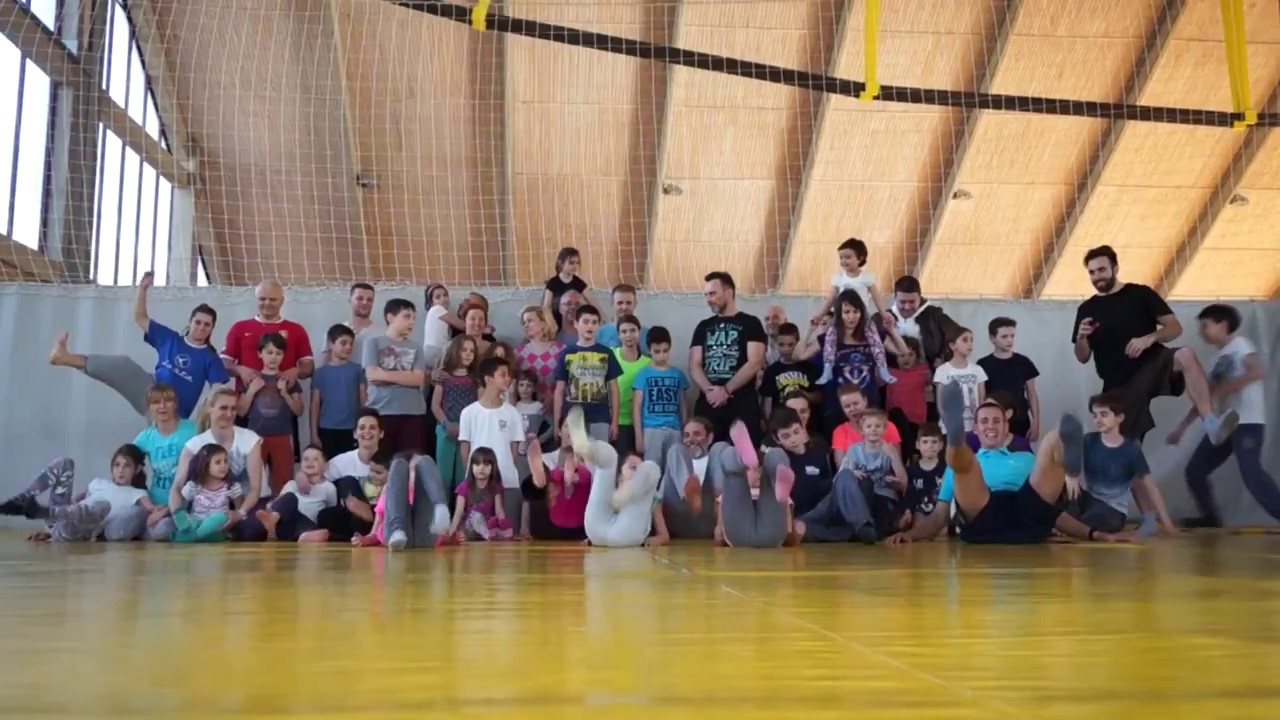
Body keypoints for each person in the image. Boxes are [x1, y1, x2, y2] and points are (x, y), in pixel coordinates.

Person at [885, 386, 1125, 545]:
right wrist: (910, 536)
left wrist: (1094, 534)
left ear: (1006, 427)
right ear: (976, 429)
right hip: (983, 516)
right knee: (966, 462)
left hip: (1028, 517)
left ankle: (1065, 451)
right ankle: (955, 439)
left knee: (1052, 439)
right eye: (984, 422)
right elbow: (938, 515)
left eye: (997, 421)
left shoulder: (1025, 458)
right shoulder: (974, 458)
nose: (991, 426)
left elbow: (1053, 513)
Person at [1072, 245, 1234, 443]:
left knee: (1185, 355)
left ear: (1115, 268)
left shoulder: (1140, 294)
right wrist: (1081, 337)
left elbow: (1175, 327)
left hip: (1152, 365)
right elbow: (1082, 357)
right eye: (1092, 272)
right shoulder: (1087, 309)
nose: (1097, 276)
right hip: (1118, 383)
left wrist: (1150, 338)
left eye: (1102, 270)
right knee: (1128, 449)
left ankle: (1211, 423)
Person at [48, 271, 227, 419]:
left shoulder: (210, 358)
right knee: (123, 364)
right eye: (198, 322)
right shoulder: (170, 339)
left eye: (207, 325)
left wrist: (205, 419)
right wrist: (142, 289)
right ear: (190, 322)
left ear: (212, 329)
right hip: (152, 392)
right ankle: (64, 357)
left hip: (175, 412)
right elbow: (140, 317)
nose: (201, 328)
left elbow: (216, 390)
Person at [1174, 303, 1280, 527]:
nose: (1201, 332)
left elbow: (1257, 371)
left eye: (1205, 326)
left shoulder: (1241, 344)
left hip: (1248, 423)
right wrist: (1181, 428)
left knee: (1252, 474)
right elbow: (1206, 397)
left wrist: (1226, 389)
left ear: (1223, 325)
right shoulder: (1216, 360)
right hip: (1224, 426)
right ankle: (1211, 517)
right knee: (1195, 470)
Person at [1064, 394, 1176, 536]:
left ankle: (1070, 526)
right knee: (1063, 489)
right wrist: (1071, 474)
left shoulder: (1131, 451)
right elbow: (1066, 455)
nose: (1098, 420)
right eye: (1095, 415)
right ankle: (1065, 523)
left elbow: (1151, 488)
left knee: (1089, 520)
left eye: (1103, 415)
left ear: (1119, 418)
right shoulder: (1088, 441)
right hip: (1090, 501)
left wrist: (1168, 525)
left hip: (1112, 511)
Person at [168, 388, 268, 541]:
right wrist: (178, 516)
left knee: (251, 531)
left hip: (246, 503)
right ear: (210, 408)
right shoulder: (194, 445)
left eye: (233, 409)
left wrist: (239, 513)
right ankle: (200, 532)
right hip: (210, 508)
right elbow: (177, 486)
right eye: (223, 408)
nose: (229, 414)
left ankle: (202, 534)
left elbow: (255, 488)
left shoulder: (250, 439)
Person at [0, 447, 154, 542]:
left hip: (79, 532)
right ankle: (22, 500)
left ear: (138, 469)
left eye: (127, 466)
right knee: (65, 463)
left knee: (102, 506)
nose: (120, 470)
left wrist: (169, 507)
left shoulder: (137, 493)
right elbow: (74, 503)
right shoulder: (98, 483)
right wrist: (51, 535)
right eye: (117, 465)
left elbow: (151, 510)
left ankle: (41, 512)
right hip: (60, 521)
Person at [559, 407, 662, 547]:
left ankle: (631, 491)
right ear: (620, 474)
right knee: (609, 458)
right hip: (596, 531)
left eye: (638, 469)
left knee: (651, 467)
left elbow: (664, 534)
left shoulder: (652, 495)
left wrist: (654, 540)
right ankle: (584, 446)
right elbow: (592, 464)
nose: (637, 470)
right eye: (633, 467)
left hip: (627, 535)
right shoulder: (609, 486)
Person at [689, 272, 767, 444]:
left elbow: (755, 361)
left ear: (729, 292)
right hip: (708, 404)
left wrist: (726, 390)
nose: (708, 299)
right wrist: (710, 391)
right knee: (704, 456)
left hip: (742, 403)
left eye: (713, 294)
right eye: (706, 295)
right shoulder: (703, 326)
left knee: (744, 458)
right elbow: (695, 365)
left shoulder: (751, 323)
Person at [809, 238, 895, 386]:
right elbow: (830, 299)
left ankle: (883, 370)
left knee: (875, 341)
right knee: (830, 339)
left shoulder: (866, 278)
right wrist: (820, 314)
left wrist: (883, 313)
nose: (844, 261)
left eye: (848, 257)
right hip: (841, 316)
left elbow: (876, 297)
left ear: (860, 258)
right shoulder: (839, 279)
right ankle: (828, 370)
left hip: (862, 316)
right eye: (841, 258)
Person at [459, 357, 525, 534]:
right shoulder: (469, 412)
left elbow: (514, 449)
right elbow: (465, 449)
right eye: (502, 375)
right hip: (478, 483)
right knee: (478, 532)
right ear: (489, 379)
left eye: (509, 375)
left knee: (508, 530)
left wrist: (506, 469)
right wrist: (474, 475)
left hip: (507, 480)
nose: (507, 379)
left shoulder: (512, 413)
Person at [238, 333, 303, 495]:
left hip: (282, 436)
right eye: (269, 352)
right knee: (255, 484)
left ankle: (279, 516)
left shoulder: (289, 381)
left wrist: (285, 393)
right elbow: (240, 411)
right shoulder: (250, 379)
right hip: (255, 439)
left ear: (283, 355)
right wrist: (252, 391)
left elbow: (299, 410)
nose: (274, 357)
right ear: (260, 353)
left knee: (283, 484)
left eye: (278, 353)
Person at [131, 383, 199, 537]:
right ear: (149, 408)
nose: (162, 406)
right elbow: (125, 461)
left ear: (175, 404)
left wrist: (169, 509)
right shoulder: (145, 437)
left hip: (186, 503)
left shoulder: (193, 430)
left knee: (161, 531)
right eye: (156, 402)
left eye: (167, 401)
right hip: (155, 503)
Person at [714, 421, 794, 548]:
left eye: (757, 469)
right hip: (773, 537)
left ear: (760, 472)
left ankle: (744, 459)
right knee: (776, 455)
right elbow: (789, 530)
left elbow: (719, 531)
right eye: (750, 469)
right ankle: (746, 460)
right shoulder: (731, 493)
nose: (754, 473)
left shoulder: (778, 489)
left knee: (774, 454)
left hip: (740, 536)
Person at [363, 298, 427, 455]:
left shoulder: (416, 347)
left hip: (412, 412)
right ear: (390, 317)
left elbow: (419, 379)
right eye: (406, 316)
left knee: (409, 462)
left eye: (413, 318)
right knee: (382, 462)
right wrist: (407, 376)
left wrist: (384, 375)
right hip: (382, 411)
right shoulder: (373, 342)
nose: (411, 322)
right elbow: (372, 375)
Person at [553, 305, 621, 442]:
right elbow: (559, 390)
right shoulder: (566, 354)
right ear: (576, 324)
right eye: (586, 322)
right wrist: (556, 423)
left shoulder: (606, 353)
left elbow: (614, 389)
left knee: (598, 459)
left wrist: (614, 421)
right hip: (573, 418)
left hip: (600, 418)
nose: (590, 326)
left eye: (594, 322)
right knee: (574, 459)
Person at [841, 410, 909, 538]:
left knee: (883, 517)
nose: (873, 430)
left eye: (877, 426)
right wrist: (853, 474)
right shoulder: (854, 450)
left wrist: (893, 457)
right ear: (862, 430)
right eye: (869, 426)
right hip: (863, 496)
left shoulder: (890, 450)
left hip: (884, 494)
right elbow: (842, 476)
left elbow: (904, 482)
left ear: (884, 430)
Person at [521, 429, 592, 541]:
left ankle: (543, 482)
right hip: (573, 523)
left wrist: (571, 477)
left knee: (578, 479)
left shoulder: (582, 474)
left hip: (564, 522)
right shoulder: (560, 474)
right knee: (556, 480)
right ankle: (542, 482)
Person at [256, 445, 336, 543]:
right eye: (306, 459)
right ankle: (272, 521)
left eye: (315, 459)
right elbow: (280, 503)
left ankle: (304, 537)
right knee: (290, 497)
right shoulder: (292, 484)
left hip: (307, 524)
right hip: (284, 522)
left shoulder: (329, 487)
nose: (310, 462)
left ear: (324, 466)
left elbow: (331, 509)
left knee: (317, 529)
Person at [632, 326, 689, 464]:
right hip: (651, 429)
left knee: (675, 466)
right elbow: (637, 407)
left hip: (674, 429)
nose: (661, 355)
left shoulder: (678, 374)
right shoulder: (642, 374)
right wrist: (638, 437)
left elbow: (683, 405)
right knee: (652, 469)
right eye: (657, 351)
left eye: (665, 351)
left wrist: (685, 430)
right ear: (649, 350)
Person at [657, 417, 721, 540]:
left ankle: (700, 497)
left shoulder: (713, 458)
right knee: (675, 449)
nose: (690, 440)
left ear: (709, 438)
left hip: (708, 519)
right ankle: (689, 495)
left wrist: (720, 526)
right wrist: (662, 534)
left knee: (719, 449)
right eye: (686, 435)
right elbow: (658, 500)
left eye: (697, 434)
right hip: (679, 518)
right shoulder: (676, 457)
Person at [977, 317, 1041, 440]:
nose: (1009, 340)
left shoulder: (1024, 362)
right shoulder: (983, 364)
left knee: (1021, 455)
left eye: (1012, 336)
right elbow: (981, 397)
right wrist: (982, 423)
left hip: (1020, 420)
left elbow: (1032, 394)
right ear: (992, 338)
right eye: (1004, 337)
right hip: (994, 421)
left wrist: (1036, 423)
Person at [372, 452, 452, 550]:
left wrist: (450, 537)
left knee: (425, 460)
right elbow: (378, 521)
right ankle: (397, 530)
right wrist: (369, 537)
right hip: (393, 536)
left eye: (413, 470)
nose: (410, 473)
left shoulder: (427, 490)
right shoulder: (390, 490)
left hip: (424, 536)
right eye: (409, 470)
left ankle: (441, 507)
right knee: (399, 464)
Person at [310, 324, 367, 459]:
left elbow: (364, 402)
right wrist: (313, 434)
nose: (348, 347)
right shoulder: (320, 373)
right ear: (330, 344)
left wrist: (363, 429)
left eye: (351, 344)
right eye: (343, 343)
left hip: (351, 429)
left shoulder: (357, 370)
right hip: (327, 429)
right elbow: (315, 406)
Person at [431, 336, 479, 492]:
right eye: (464, 350)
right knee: (443, 476)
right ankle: (443, 513)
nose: (467, 354)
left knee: (463, 476)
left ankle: (461, 512)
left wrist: (465, 428)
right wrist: (447, 424)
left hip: (467, 433)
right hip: (445, 430)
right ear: (455, 351)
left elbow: (478, 406)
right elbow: (435, 406)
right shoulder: (444, 376)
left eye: (471, 351)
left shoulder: (475, 379)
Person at [172, 443, 244, 543]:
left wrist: (233, 516)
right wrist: (182, 517)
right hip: (196, 523)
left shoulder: (230, 486)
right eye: (218, 462)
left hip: (217, 528)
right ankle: (196, 534)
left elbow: (238, 508)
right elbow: (182, 504)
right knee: (180, 514)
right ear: (205, 465)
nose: (224, 465)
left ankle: (193, 537)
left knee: (221, 517)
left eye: (226, 461)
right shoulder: (194, 485)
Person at [887, 275, 961, 369]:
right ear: (895, 298)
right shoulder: (883, 318)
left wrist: (943, 356)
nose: (907, 307)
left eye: (912, 302)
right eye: (902, 302)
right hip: (893, 376)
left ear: (920, 298)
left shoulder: (934, 315)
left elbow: (958, 335)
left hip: (929, 374)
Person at [442, 447, 513, 543]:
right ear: (471, 466)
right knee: (476, 516)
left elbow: (499, 510)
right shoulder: (464, 486)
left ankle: (499, 533)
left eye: (486, 464)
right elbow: (458, 512)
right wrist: (451, 531)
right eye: (477, 464)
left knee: (493, 521)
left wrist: (503, 523)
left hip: (487, 525)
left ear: (493, 467)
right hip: (468, 527)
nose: (481, 468)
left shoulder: (495, 486)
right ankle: (490, 536)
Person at [760, 322, 821, 418]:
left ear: (798, 344)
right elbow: (767, 402)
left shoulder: (810, 367)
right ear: (776, 344)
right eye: (781, 344)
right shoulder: (771, 371)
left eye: (790, 344)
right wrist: (770, 425)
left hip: (808, 421)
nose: (786, 349)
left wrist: (804, 395)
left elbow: (819, 397)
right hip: (781, 421)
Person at [933, 326, 987, 433]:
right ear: (952, 346)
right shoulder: (943, 370)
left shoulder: (977, 370)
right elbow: (941, 404)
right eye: (965, 340)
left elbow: (982, 401)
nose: (970, 343)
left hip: (974, 428)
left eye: (971, 340)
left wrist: (980, 422)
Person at [832, 384, 902, 464]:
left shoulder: (888, 426)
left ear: (865, 401)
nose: (852, 409)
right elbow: (841, 467)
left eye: (856, 404)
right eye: (847, 406)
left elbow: (897, 462)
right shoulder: (839, 431)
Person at [611, 314, 650, 457]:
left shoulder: (647, 363)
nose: (629, 335)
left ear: (639, 332)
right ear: (618, 335)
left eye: (633, 330)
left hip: (638, 424)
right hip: (614, 421)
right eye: (624, 331)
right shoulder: (610, 355)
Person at [886, 336, 930, 453]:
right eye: (902, 355)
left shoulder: (923, 370)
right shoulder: (889, 373)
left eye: (911, 355)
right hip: (897, 421)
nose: (907, 359)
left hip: (918, 420)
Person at [516, 305, 566, 405]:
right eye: (524, 322)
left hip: (556, 408)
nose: (526, 325)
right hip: (528, 410)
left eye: (530, 321)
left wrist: (554, 398)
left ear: (544, 322)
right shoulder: (519, 353)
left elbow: (570, 382)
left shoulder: (562, 350)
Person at [320, 282, 376, 366]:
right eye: (360, 298)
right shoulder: (334, 331)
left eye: (369, 300)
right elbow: (325, 365)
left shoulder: (383, 332)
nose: (365, 303)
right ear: (350, 300)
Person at [543, 246, 600, 328]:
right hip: (556, 324)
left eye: (577, 263)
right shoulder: (552, 283)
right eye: (571, 263)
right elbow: (546, 307)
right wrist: (547, 325)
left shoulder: (579, 283)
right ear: (561, 263)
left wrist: (604, 319)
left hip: (574, 325)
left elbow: (594, 304)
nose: (575, 266)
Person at [904, 423, 945, 525]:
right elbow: (910, 494)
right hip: (919, 512)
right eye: (925, 442)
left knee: (941, 531)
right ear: (918, 445)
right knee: (919, 524)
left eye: (934, 442)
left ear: (941, 445)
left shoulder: (946, 470)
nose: (930, 446)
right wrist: (908, 510)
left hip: (940, 511)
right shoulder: (912, 470)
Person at [422, 283, 467, 370]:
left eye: (445, 295)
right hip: (435, 350)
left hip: (431, 350)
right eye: (438, 297)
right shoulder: (437, 309)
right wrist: (484, 328)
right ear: (432, 303)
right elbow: (462, 326)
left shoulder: (437, 312)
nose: (443, 298)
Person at [597, 284, 648, 352]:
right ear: (612, 304)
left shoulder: (646, 334)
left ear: (635, 304)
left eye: (628, 303)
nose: (624, 307)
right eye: (620, 303)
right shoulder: (601, 333)